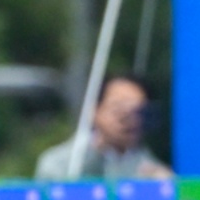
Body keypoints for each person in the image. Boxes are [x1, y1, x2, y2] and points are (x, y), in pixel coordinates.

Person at [35, 75, 173, 181]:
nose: (128, 120)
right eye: (118, 109)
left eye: (136, 111)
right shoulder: (59, 163)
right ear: (94, 111)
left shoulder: (153, 172)